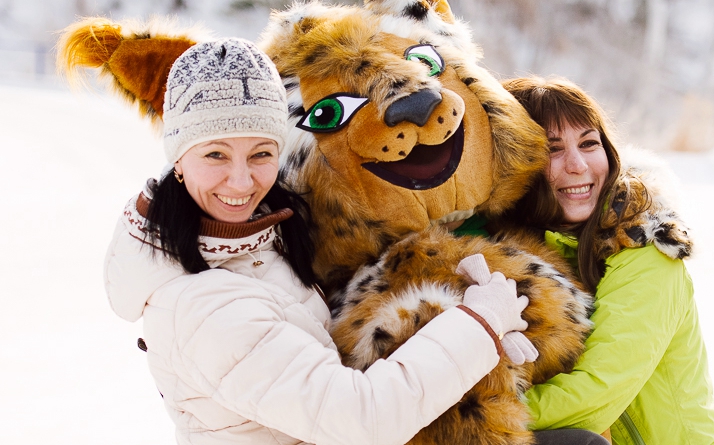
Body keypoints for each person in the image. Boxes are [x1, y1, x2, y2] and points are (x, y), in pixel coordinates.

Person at [101, 37, 540, 445]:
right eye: (215, 154)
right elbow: (361, 418)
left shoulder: (259, 235)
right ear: (179, 157)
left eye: (261, 154)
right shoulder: (201, 307)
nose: (240, 180)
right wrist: (478, 326)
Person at [502, 76, 714, 445]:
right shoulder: (520, 249)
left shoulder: (647, 254)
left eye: (589, 143)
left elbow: (593, 398)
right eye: (552, 148)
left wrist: (467, 413)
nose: (577, 165)